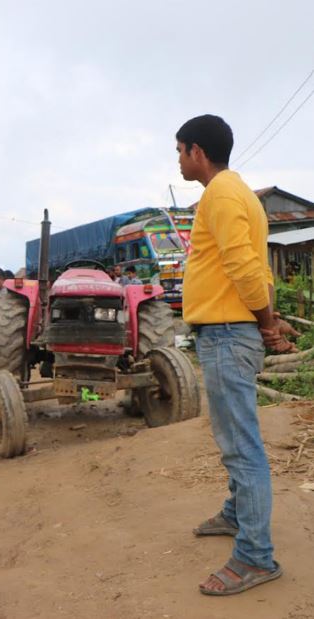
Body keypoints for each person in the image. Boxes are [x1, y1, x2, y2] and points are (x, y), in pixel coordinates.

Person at [176, 114, 294, 596]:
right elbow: (256, 265)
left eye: (180, 151)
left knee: (241, 447)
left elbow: (245, 266)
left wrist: (265, 323)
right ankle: (235, 514)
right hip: (230, 329)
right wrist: (269, 318)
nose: (179, 160)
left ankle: (254, 557)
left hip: (228, 332)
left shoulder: (220, 194)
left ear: (197, 152)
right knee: (234, 438)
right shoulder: (240, 193)